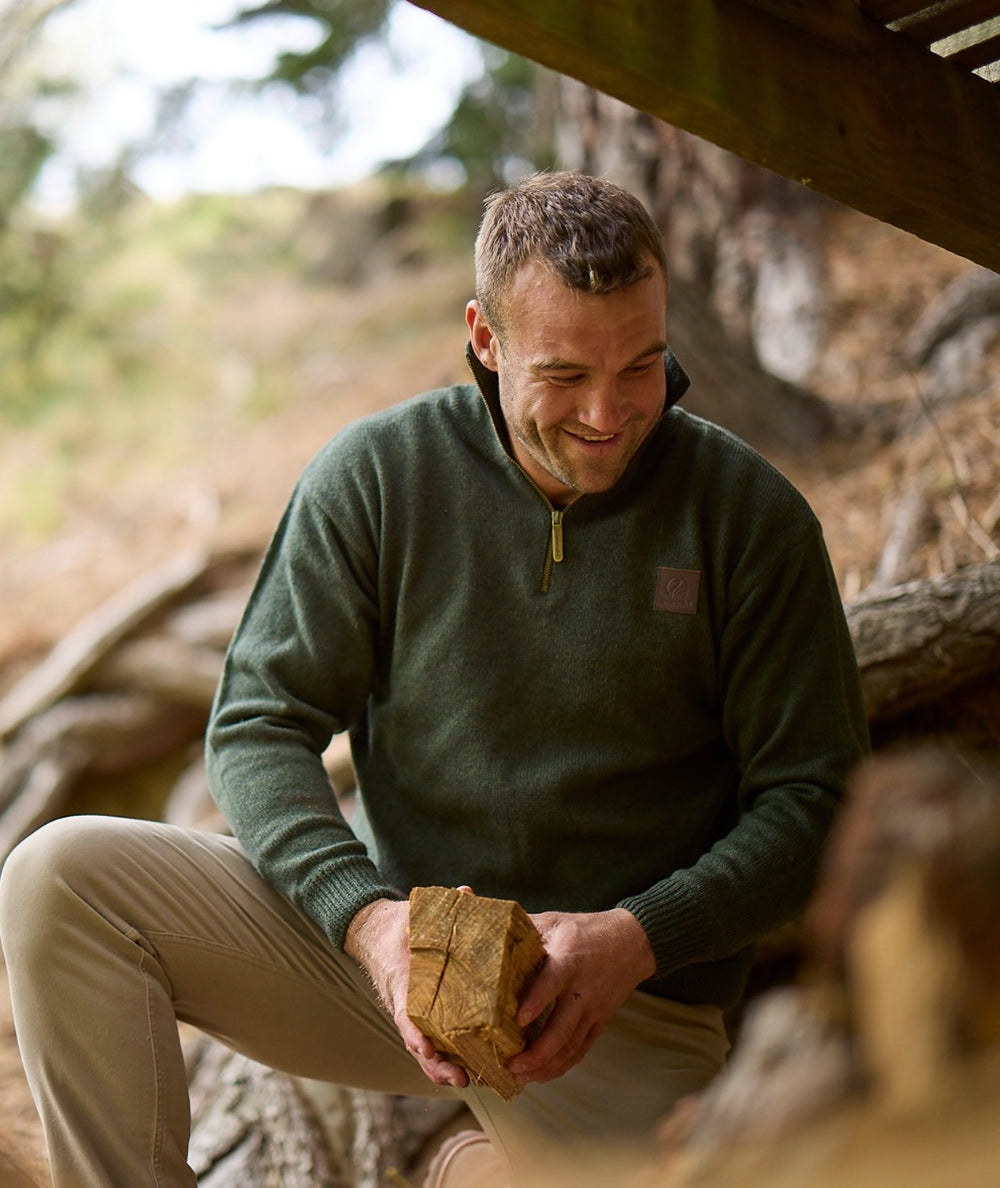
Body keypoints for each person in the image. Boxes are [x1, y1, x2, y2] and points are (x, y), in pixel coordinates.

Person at [0, 171, 869, 1187]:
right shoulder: (377, 479)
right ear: (485, 338)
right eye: (564, 374)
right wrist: (369, 925)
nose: (608, 413)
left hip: (622, 1006)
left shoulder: (748, 519)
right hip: (392, 966)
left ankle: (464, 1164)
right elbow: (257, 724)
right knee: (61, 880)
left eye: (642, 363)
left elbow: (816, 799)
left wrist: (636, 939)